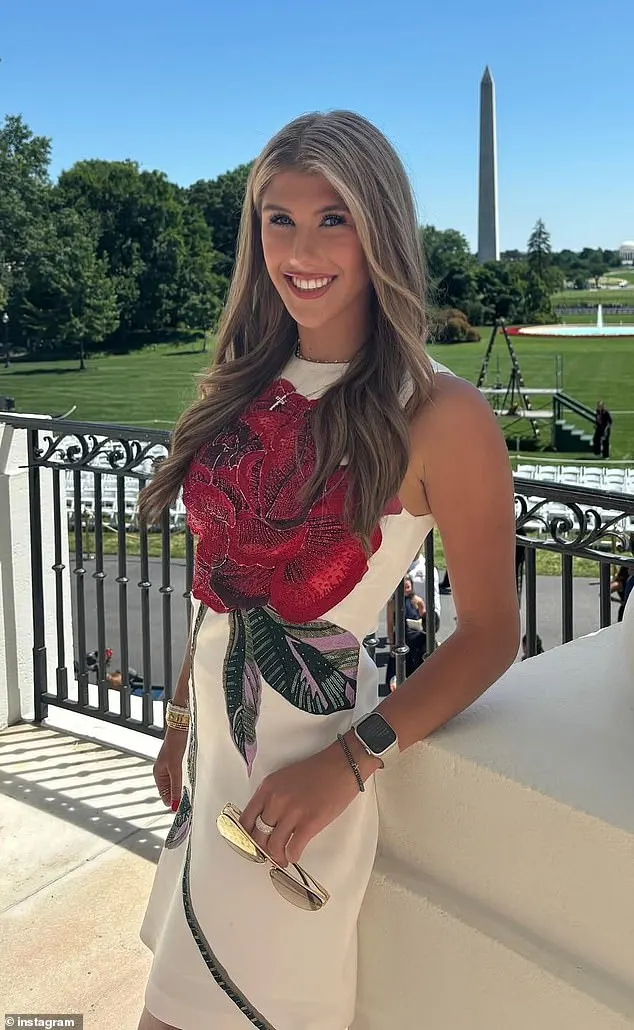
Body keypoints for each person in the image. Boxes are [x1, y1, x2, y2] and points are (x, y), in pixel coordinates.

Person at [135, 110, 520, 1030]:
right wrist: (183, 717)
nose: (300, 249)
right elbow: (221, 580)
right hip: (219, 778)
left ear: (379, 226)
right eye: (279, 219)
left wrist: (352, 764)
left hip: (304, 794)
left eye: (332, 218)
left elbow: (493, 634)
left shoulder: (440, 415)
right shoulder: (247, 378)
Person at [385, 575, 428, 687]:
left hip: (415, 638)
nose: (406, 587)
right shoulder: (392, 603)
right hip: (400, 637)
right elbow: (390, 625)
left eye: (408, 585)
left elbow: (424, 621)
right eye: (404, 585)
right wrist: (390, 644)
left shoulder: (417, 601)